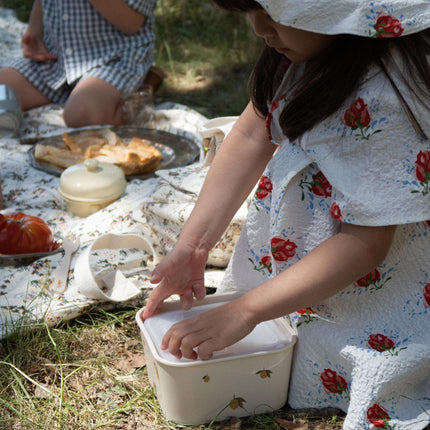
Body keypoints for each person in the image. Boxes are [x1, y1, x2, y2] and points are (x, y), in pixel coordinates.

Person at [142, 0, 430, 428]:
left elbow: (365, 243)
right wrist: (193, 246)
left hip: (372, 287)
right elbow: (250, 133)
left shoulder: (383, 96)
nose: (260, 29)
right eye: (250, 13)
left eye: (273, 14)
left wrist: (245, 312)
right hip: (308, 268)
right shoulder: (304, 54)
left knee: (329, 361)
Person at [0, 0, 157, 128]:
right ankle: (79, 94)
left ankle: (137, 97)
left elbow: (131, 24)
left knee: (81, 115)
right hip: (57, 58)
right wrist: (34, 30)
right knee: (3, 88)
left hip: (114, 59)